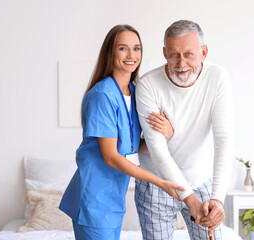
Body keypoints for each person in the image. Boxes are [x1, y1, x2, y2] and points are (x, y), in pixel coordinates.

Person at [59, 24, 184, 240]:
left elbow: (129, 147)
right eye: (123, 48)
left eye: (136, 48)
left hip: (113, 200)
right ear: (111, 52)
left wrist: (163, 134)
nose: (131, 55)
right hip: (94, 200)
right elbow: (110, 156)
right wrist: (160, 182)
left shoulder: (135, 92)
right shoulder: (102, 95)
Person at [134, 20, 234, 240]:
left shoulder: (217, 77)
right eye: (174, 55)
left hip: (200, 180)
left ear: (204, 52)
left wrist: (216, 199)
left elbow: (224, 140)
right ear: (164, 53)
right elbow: (157, 150)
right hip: (156, 185)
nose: (181, 63)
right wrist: (190, 200)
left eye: (189, 54)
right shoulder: (148, 85)